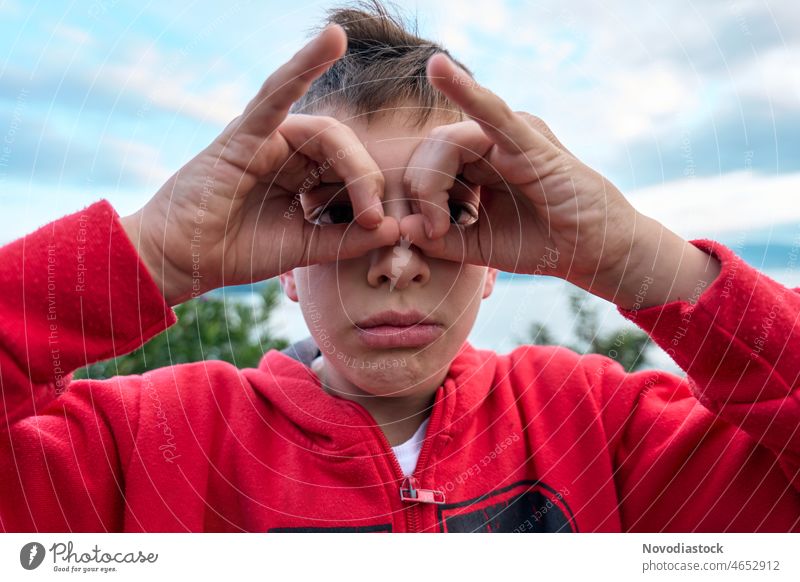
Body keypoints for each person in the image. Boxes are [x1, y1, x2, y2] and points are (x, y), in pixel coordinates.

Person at [1, 2, 797, 532]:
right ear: (281, 264)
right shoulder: (141, 445)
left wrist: (637, 258)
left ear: (496, 261)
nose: (396, 264)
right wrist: (154, 253)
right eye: (339, 212)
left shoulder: (609, 433)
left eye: (452, 208)